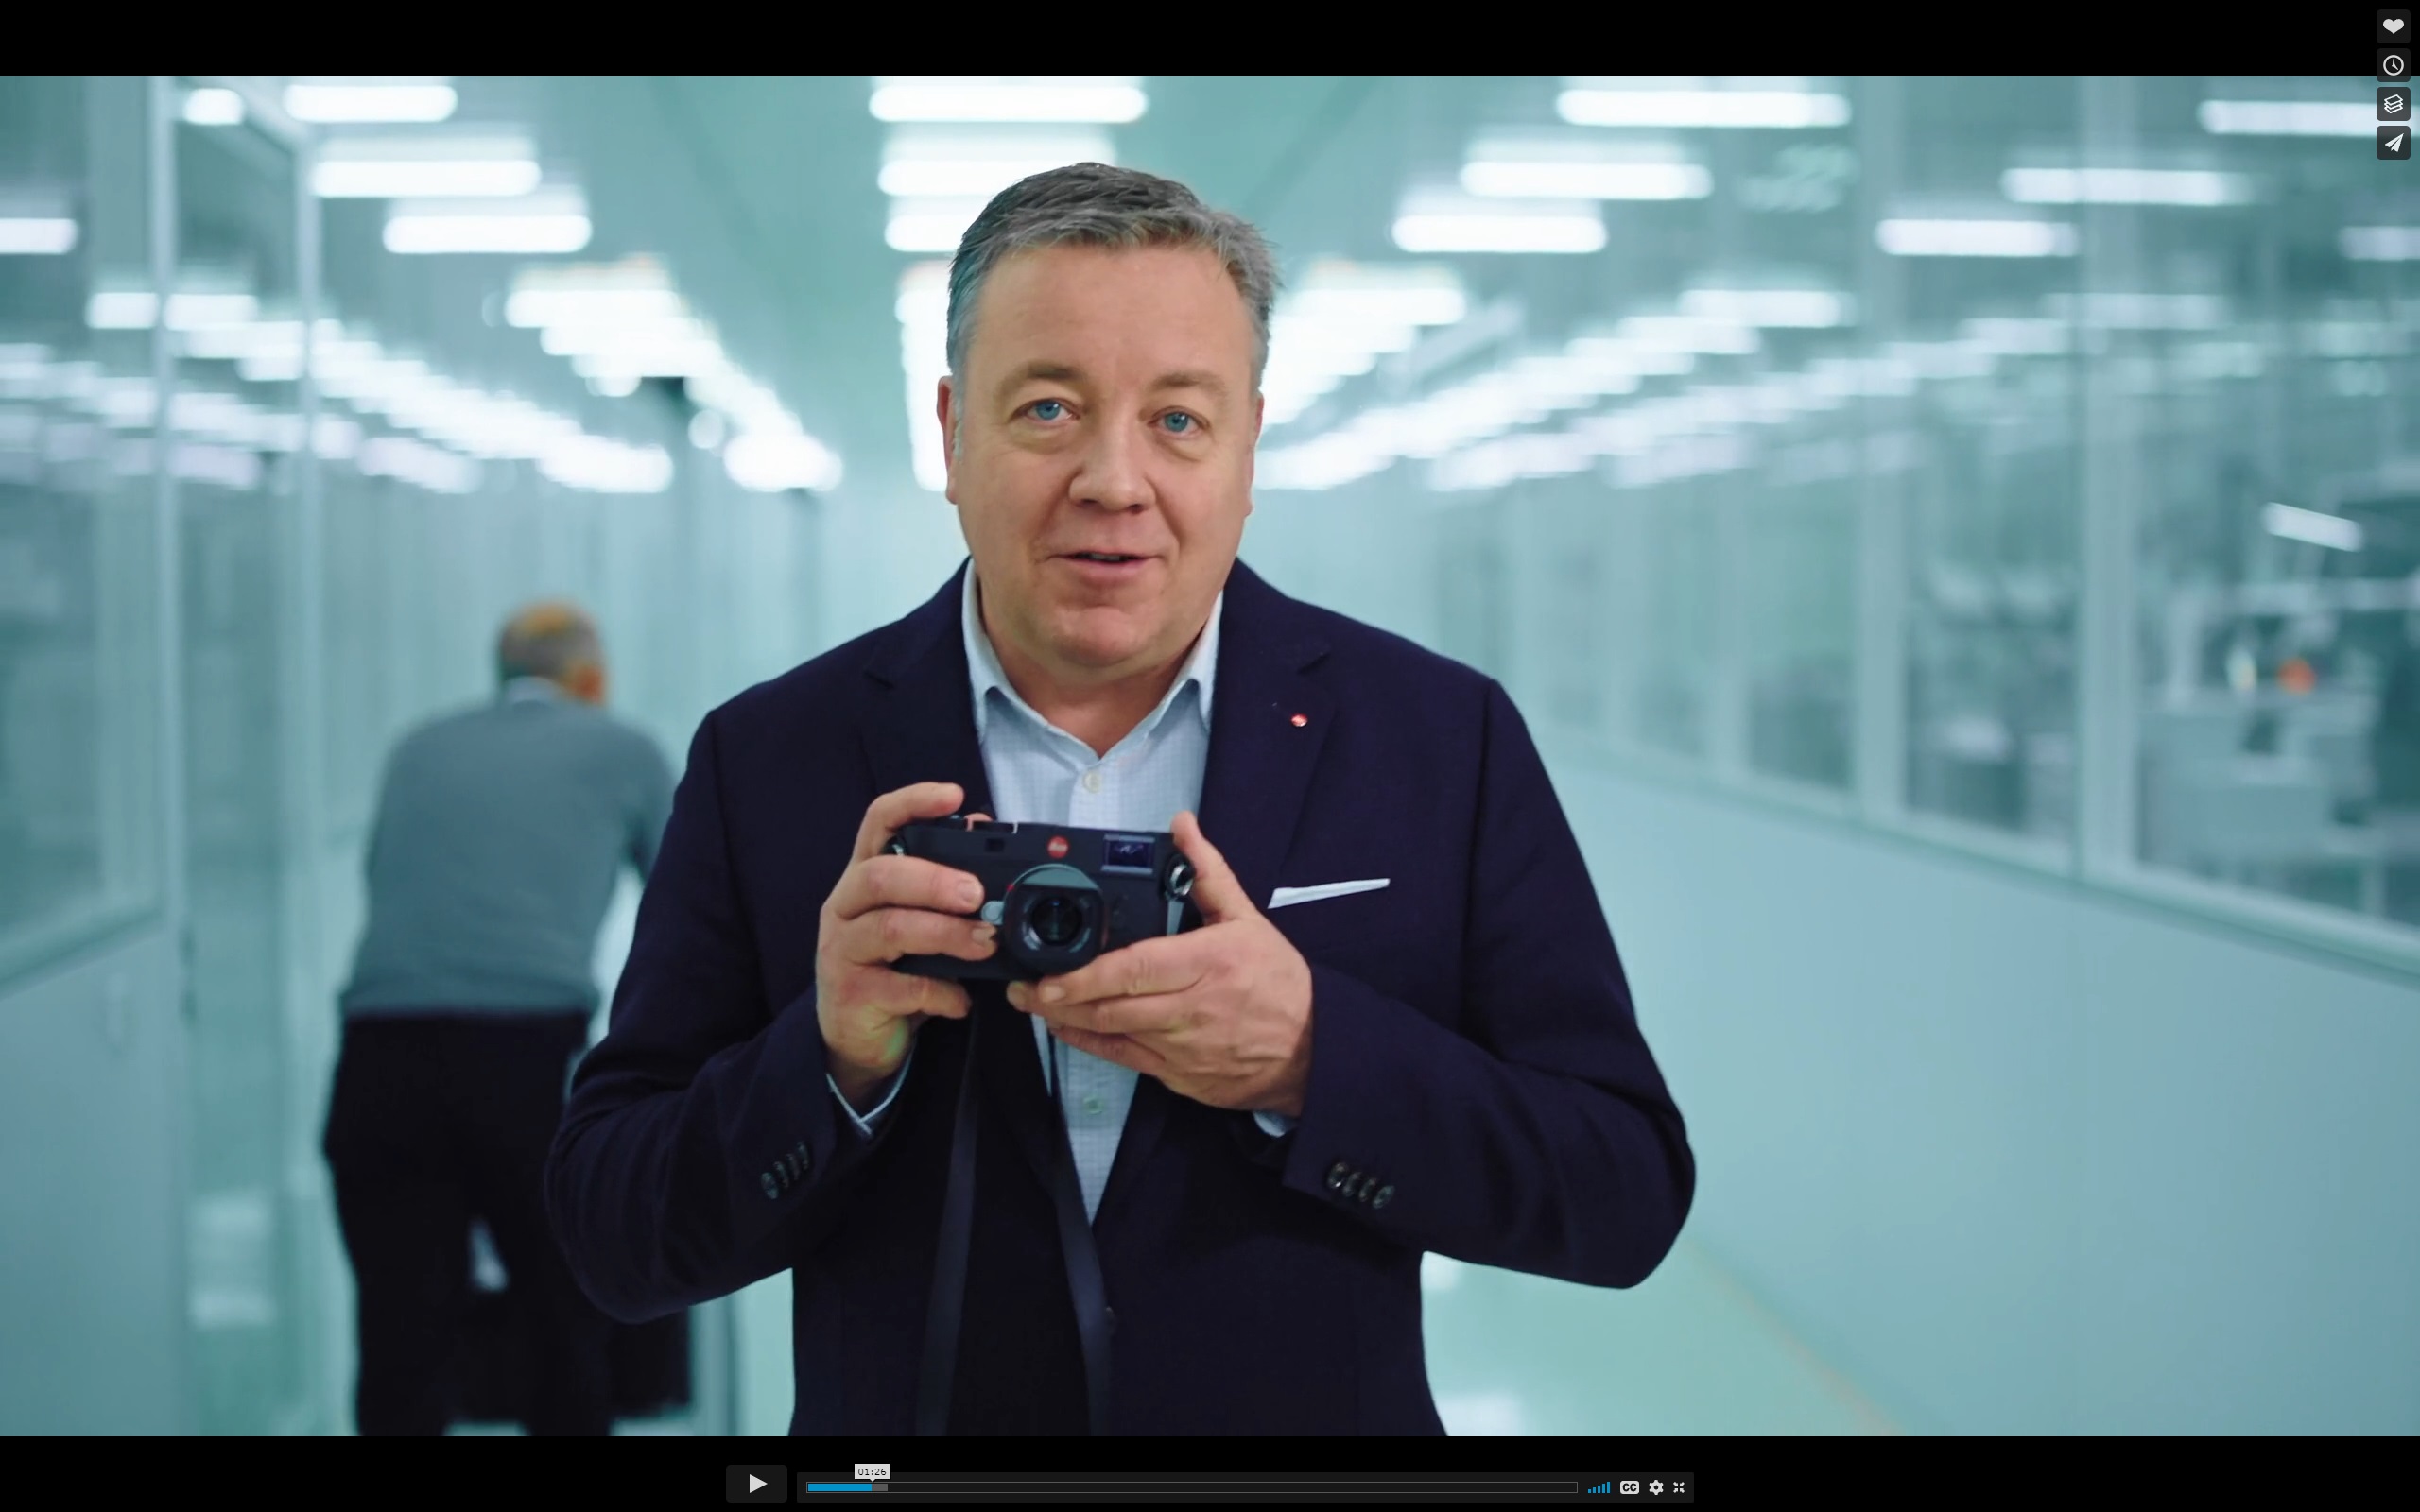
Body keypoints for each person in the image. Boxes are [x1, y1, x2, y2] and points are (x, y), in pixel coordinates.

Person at [547, 164, 1693, 1435]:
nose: (1113, 479)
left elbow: (1622, 1189)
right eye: (1048, 408)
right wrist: (825, 1059)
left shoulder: (1434, 738)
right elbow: (611, 1234)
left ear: (1248, 449)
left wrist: (1313, 1057)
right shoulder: (774, 756)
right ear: (952, 434)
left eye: (1179, 420)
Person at [325, 601, 674, 1436]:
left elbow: (384, 879)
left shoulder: (417, 748)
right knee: (565, 1317)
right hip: (524, 1061)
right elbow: (688, 903)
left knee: (400, 1338)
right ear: (590, 679)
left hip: (378, 1060)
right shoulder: (622, 747)